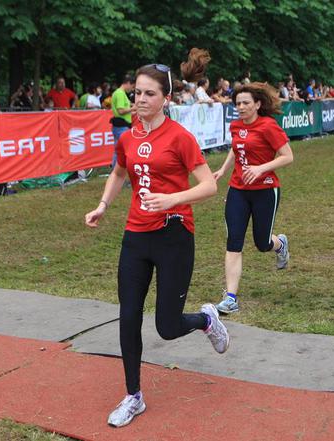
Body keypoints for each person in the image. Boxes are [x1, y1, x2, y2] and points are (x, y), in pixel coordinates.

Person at [85, 59, 229, 429]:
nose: (142, 99)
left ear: (165, 98)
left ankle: (205, 319)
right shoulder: (128, 136)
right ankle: (133, 395)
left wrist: (173, 199)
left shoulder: (180, 137)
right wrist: (103, 205)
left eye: (150, 93)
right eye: (137, 93)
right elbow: (119, 172)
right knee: (128, 315)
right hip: (136, 235)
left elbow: (209, 185)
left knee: (166, 325)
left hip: (173, 236)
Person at [211, 82, 293, 314]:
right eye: (238, 103)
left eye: (246, 102)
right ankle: (230, 298)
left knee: (261, 242)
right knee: (233, 242)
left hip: (265, 190)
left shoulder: (268, 126)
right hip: (237, 189)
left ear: (257, 104)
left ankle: (280, 244)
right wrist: (224, 169)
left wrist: (260, 169)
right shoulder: (236, 126)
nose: (241, 107)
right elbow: (236, 149)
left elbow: (288, 156)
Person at [110, 74, 135, 168]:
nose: (132, 89)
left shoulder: (119, 92)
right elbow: (121, 111)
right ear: (128, 83)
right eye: (132, 86)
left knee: (118, 150)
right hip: (121, 126)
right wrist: (134, 108)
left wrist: (132, 110)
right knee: (125, 150)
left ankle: (115, 171)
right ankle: (120, 172)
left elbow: (122, 111)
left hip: (120, 125)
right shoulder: (120, 93)